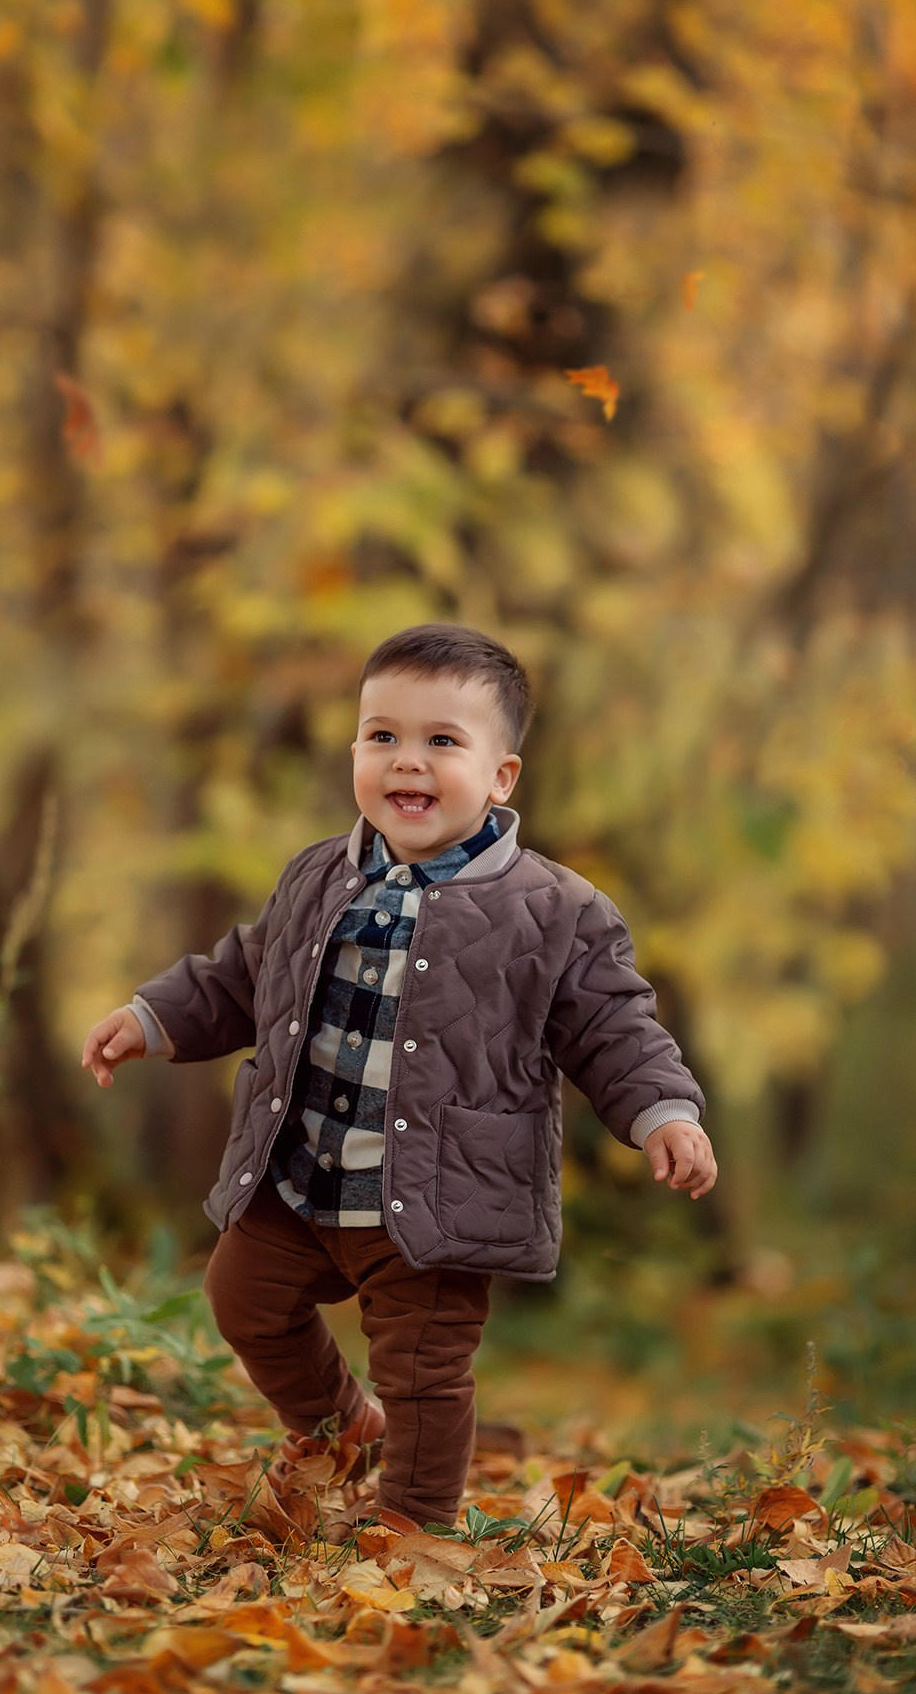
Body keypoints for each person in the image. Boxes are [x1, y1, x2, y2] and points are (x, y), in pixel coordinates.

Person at [81, 624, 716, 1536]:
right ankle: (343, 1429)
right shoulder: (318, 876)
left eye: (441, 742)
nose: (405, 762)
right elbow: (243, 976)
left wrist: (662, 1111)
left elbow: (615, 1025)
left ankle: (414, 1527)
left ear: (501, 777)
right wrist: (150, 1019)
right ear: (354, 752)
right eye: (382, 736)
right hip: (299, 1176)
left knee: (424, 1370)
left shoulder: (554, 911)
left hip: (434, 1198)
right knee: (241, 1299)